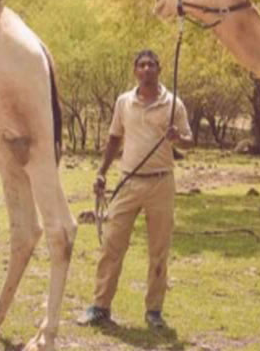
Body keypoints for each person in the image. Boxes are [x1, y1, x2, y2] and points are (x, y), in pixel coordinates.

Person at [77, 50, 192, 331]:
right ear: (135, 71)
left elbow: (190, 141)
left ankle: (154, 311)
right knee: (112, 245)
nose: (146, 68)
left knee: (158, 249)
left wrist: (178, 137)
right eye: (141, 64)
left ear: (159, 69)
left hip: (161, 182)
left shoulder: (173, 103)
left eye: (151, 64)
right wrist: (102, 172)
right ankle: (100, 307)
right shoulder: (123, 102)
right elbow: (115, 137)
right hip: (128, 180)